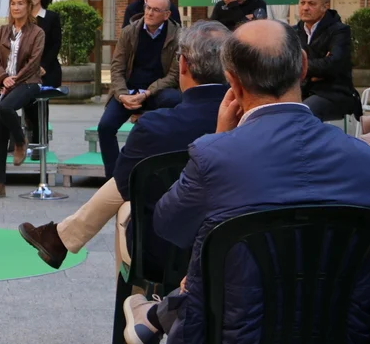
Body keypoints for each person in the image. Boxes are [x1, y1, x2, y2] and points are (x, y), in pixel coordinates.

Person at [122, 21, 370, 344]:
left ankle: (157, 313)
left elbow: (167, 225)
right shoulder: (362, 157)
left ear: (231, 80)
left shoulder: (216, 154)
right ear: (303, 66)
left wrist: (218, 138)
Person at [18, 21, 230, 272]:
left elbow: (123, 183)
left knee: (126, 206)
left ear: (183, 64)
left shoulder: (155, 126)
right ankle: (61, 237)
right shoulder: (252, 122)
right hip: (237, 249)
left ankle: (127, 292)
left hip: (166, 253)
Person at [98, 0, 182, 179]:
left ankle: (162, 172)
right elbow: (117, 67)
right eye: (148, 8)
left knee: (174, 99)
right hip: (129, 91)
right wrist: (122, 95)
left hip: (156, 92)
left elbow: (173, 75)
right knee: (105, 127)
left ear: (167, 15)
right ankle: (114, 178)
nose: (149, 13)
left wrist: (147, 93)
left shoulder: (178, 36)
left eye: (155, 10)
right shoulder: (129, 32)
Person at [0, 0, 44, 199]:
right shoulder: (2, 31)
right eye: (13, 3)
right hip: (3, 83)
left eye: (20, 3)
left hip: (28, 82)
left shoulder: (37, 32)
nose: (16, 7)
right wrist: (3, 78)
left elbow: (34, 63)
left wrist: (14, 80)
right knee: (0, 135)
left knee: (6, 107)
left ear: (28, 7)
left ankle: (20, 141)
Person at [296, 0, 360, 122]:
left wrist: (300, 66)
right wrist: (316, 70)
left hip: (333, 94)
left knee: (303, 112)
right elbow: (285, 64)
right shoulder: (293, 32)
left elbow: (332, 65)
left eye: (311, 3)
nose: (305, 8)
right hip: (301, 92)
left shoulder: (340, 31)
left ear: (325, 7)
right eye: (302, 3)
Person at [21, 0, 62, 155]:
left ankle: (39, 145)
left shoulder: (51, 17)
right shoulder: (21, 17)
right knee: (27, 106)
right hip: (25, 71)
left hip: (47, 70)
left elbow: (55, 44)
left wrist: (43, 65)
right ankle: (28, 143)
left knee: (41, 107)